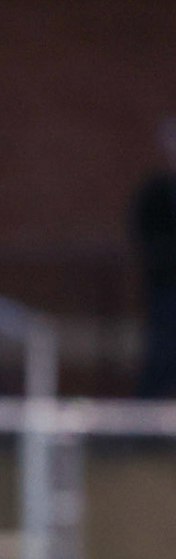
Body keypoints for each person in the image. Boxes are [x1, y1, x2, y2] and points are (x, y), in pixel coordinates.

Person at [134, 116, 176, 397]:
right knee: (162, 353)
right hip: (167, 287)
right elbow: (144, 235)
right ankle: (143, 428)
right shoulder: (156, 193)